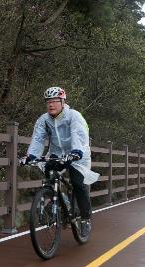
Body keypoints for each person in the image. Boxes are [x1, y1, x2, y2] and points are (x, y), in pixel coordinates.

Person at [21, 86, 98, 237]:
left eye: (55, 101)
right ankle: (63, 201)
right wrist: (30, 156)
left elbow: (79, 135)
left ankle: (85, 219)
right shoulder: (44, 120)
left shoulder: (73, 116)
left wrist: (76, 152)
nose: (51, 104)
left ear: (63, 102)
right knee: (49, 176)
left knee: (77, 183)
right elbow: (37, 139)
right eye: (48, 101)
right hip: (57, 154)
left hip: (78, 153)